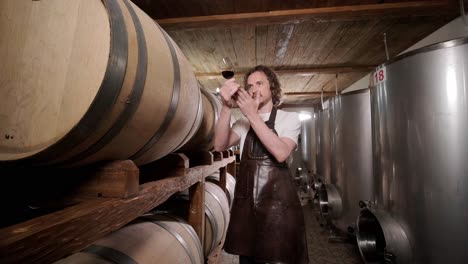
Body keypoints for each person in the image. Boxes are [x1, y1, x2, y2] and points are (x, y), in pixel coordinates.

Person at [214, 65, 309, 264]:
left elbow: (281, 153)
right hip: (247, 214)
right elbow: (219, 145)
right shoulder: (243, 123)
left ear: (272, 88)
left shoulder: (289, 119)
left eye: (260, 83)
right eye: (250, 85)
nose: (254, 89)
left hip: (279, 214)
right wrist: (225, 107)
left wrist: (252, 115)